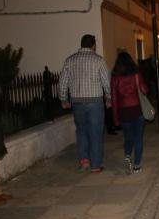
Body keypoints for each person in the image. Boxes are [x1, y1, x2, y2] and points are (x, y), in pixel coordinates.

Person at [59, 34, 111, 173]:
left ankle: (84, 162)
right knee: (95, 133)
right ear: (93, 45)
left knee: (81, 131)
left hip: (77, 103)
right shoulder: (99, 60)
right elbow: (106, 81)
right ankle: (95, 165)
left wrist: (63, 99)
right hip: (95, 102)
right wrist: (109, 98)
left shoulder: (70, 60)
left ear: (81, 44)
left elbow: (63, 81)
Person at [111, 52, 149, 174]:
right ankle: (137, 165)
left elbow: (114, 99)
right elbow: (144, 90)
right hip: (137, 110)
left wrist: (115, 118)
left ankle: (127, 155)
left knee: (128, 137)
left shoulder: (115, 77)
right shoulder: (136, 75)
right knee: (138, 138)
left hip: (123, 112)